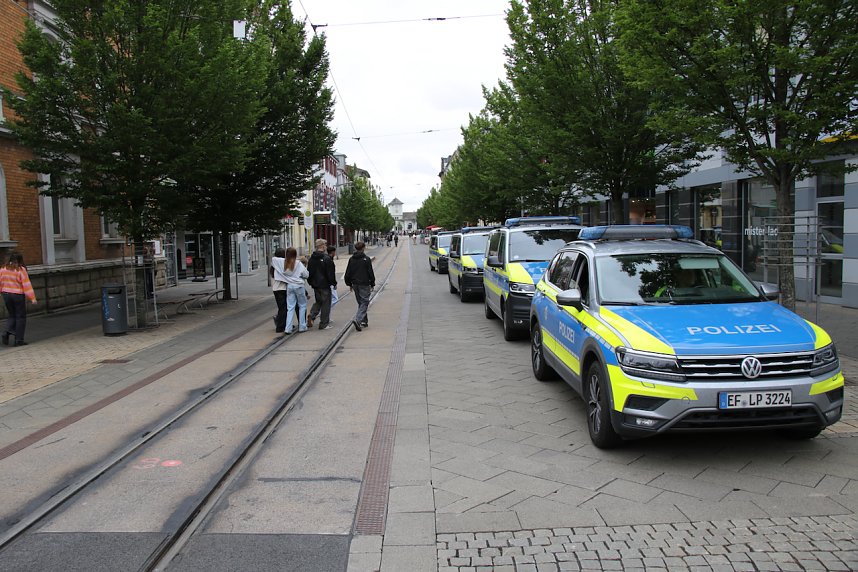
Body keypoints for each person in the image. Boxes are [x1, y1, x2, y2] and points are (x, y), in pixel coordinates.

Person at [1, 252, 37, 346]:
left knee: (12, 315)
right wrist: (32, 298)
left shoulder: (3, 269)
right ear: (20, 260)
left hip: (6, 294)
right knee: (20, 317)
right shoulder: (21, 270)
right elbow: (26, 284)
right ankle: (19, 340)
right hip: (17, 295)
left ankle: (6, 332)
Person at [344, 241, 375, 331]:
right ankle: (358, 319)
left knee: (361, 303)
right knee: (364, 302)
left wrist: (349, 283)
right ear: (363, 248)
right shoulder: (366, 259)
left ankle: (364, 321)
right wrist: (372, 283)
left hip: (355, 284)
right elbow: (370, 272)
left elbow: (348, 272)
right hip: (364, 283)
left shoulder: (351, 259)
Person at [307, 239, 337, 330]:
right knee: (326, 304)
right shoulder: (326, 258)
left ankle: (312, 315)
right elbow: (330, 273)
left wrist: (311, 282)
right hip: (324, 284)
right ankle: (324, 323)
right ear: (323, 246)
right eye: (325, 245)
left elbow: (309, 272)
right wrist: (333, 283)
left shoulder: (312, 258)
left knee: (319, 301)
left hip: (315, 284)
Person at [280, 247, 309, 334]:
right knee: (302, 305)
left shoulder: (285, 263)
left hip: (289, 286)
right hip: (299, 286)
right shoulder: (298, 263)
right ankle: (302, 326)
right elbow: (306, 274)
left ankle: (288, 328)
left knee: (290, 307)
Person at [270, 248, 288, 333]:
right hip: (282, 288)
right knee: (284, 308)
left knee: (282, 308)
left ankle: (282, 323)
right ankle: (280, 326)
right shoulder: (281, 264)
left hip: (276, 289)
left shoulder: (273, 265)